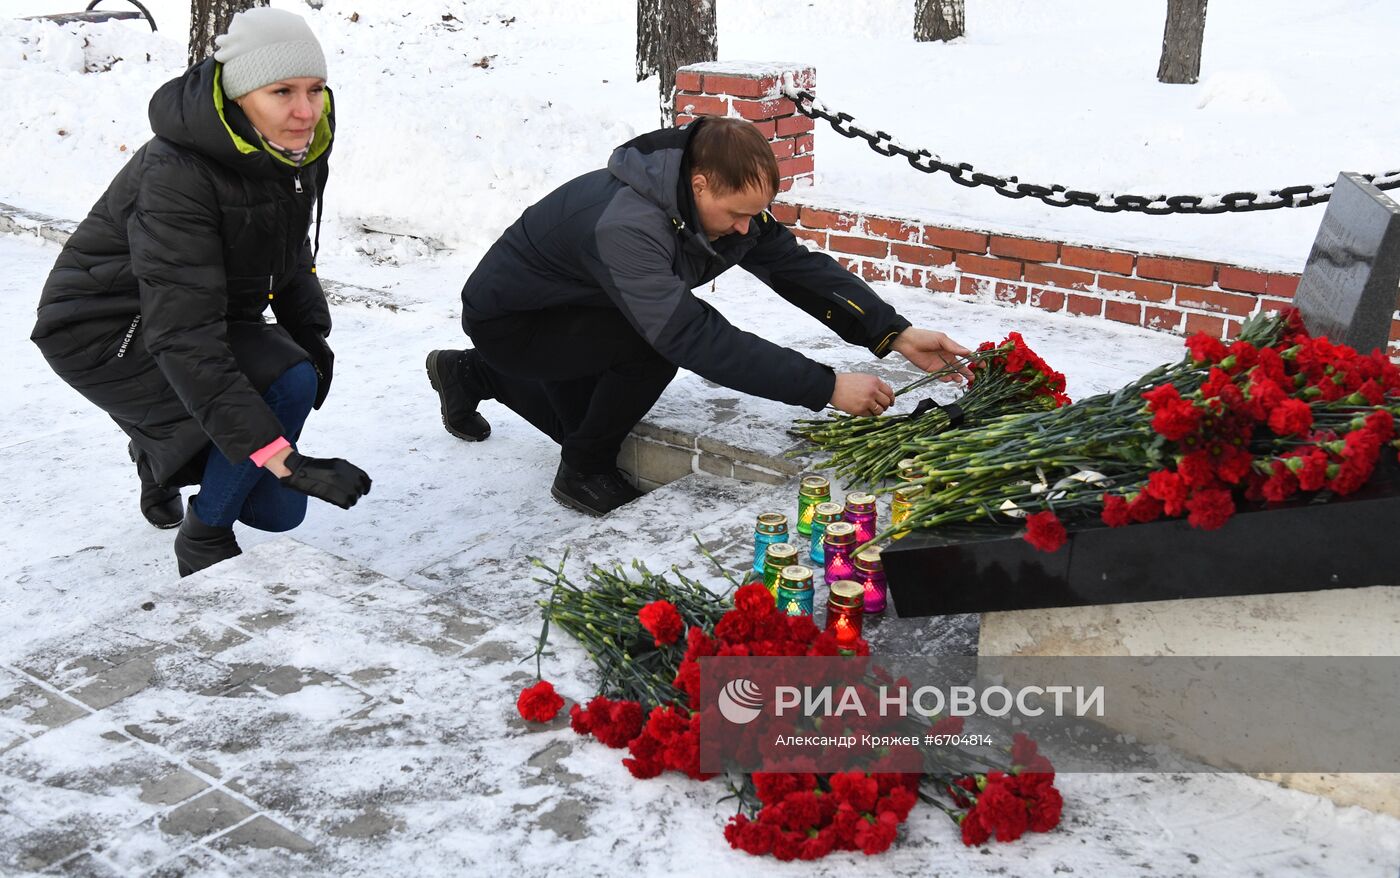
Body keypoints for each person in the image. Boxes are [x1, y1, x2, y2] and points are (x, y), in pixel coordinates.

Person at [427, 116, 971, 516]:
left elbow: (796, 268)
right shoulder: (627, 224)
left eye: (754, 214)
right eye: (737, 214)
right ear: (699, 183)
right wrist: (825, 386)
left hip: (577, 305)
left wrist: (893, 332)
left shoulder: (721, 206)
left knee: (622, 360)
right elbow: (692, 336)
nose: (745, 229)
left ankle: (470, 373)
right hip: (516, 322)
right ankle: (583, 468)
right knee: (649, 350)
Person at [31, 8, 371, 577]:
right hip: (103, 331)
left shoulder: (293, 149)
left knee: (280, 494)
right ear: (238, 96)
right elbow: (183, 333)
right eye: (282, 90)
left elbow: (287, 252)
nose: (305, 111)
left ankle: (157, 456)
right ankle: (204, 538)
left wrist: (311, 337)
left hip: (190, 314)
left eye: (315, 89)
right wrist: (285, 461)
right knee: (283, 400)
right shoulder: (177, 172)